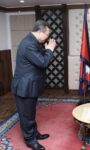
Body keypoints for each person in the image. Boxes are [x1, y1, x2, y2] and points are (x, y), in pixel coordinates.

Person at [11, 20, 56, 150]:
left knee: (30, 113)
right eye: (47, 34)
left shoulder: (33, 42)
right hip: (24, 87)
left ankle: (34, 133)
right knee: (26, 115)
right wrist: (50, 50)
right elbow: (42, 62)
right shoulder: (29, 44)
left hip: (30, 86)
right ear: (40, 32)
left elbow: (39, 58)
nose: (47, 37)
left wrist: (46, 50)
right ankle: (30, 140)